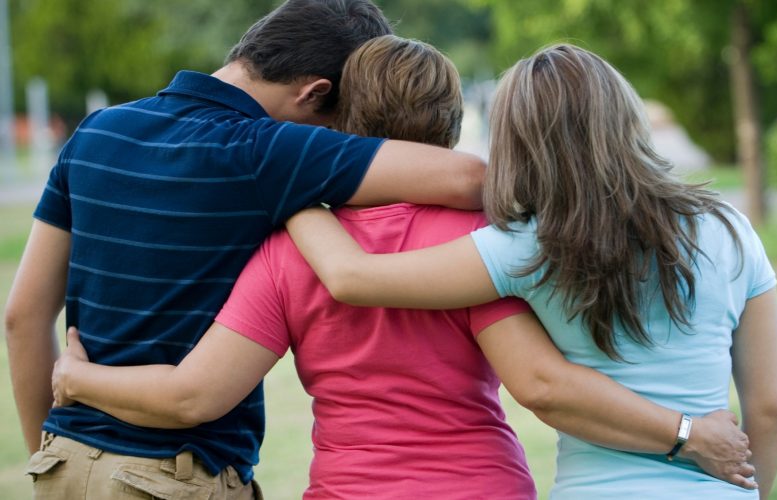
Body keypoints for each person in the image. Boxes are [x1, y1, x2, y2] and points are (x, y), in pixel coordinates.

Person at [52, 37, 757, 498]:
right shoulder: (484, 236)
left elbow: (193, 395)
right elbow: (540, 380)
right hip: (481, 486)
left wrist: (77, 377)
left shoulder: (290, 246)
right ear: (451, 124)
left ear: (344, 121)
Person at [3, 1, 491, 497]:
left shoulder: (96, 131)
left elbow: (21, 317)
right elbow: (471, 176)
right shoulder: (268, 149)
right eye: (336, 120)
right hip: (175, 477)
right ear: (316, 93)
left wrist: (49, 454)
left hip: (63, 463)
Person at [282, 44, 777, 499]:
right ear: (625, 115)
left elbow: (352, 278)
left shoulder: (527, 247)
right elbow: (767, 411)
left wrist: (292, 195)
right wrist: (745, 486)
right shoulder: (730, 229)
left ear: (518, 142)